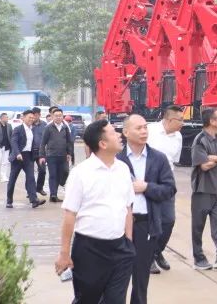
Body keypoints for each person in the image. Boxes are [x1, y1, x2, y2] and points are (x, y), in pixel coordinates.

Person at [55, 119, 136, 304]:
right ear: (103, 144)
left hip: (120, 249)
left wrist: (129, 242)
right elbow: (70, 215)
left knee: (116, 300)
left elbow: (128, 207)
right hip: (89, 250)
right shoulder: (81, 173)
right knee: (87, 299)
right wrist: (64, 253)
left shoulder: (123, 169)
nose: (119, 135)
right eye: (113, 133)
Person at [118, 114, 177, 304]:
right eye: (138, 128)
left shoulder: (158, 158)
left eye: (145, 127)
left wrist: (147, 187)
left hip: (145, 224)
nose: (144, 131)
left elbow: (169, 189)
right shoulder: (116, 158)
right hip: (117, 225)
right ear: (126, 132)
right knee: (117, 276)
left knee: (141, 277)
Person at [190, 107, 217, 271]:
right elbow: (204, 166)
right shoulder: (200, 140)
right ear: (212, 121)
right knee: (198, 227)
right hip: (202, 190)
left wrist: (212, 158)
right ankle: (199, 258)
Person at [146, 105, 184, 273]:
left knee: (168, 220)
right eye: (180, 120)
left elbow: (174, 160)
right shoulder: (150, 131)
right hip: (148, 181)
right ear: (169, 120)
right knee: (151, 222)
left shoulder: (178, 137)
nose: (182, 123)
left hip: (167, 181)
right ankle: (148, 258)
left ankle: (157, 251)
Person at [6, 109, 46, 209]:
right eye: (29, 117)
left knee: (31, 178)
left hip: (28, 157)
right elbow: (14, 142)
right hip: (18, 157)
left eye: (33, 118)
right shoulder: (18, 129)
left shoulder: (33, 129)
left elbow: (35, 143)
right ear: (23, 118)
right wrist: (17, 153)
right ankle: (9, 201)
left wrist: (40, 155)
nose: (31, 119)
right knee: (12, 179)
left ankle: (34, 200)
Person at [43, 108, 75, 202]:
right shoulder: (48, 128)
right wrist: (42, 156)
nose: (58, 117)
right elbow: (43, 143)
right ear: (52, 117)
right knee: (53, 175)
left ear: (62, 117)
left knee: (65, 172)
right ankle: (53, 195)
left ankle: (61, 183)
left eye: (60, 116)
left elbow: (69, 142)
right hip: (51, 156)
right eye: (56, 116)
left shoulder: (65, 127)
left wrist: (69, 153)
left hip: (63, 155)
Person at [31, 108, 47, 196]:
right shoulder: (29, 124)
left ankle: (39, 188)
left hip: (41, 152)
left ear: (39, 115)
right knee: (30, 172)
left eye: (36, 115)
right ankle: (30, 190)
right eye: (33, 115)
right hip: (30, 152)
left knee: (42, 171)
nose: (34, 117)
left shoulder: (44, 125)